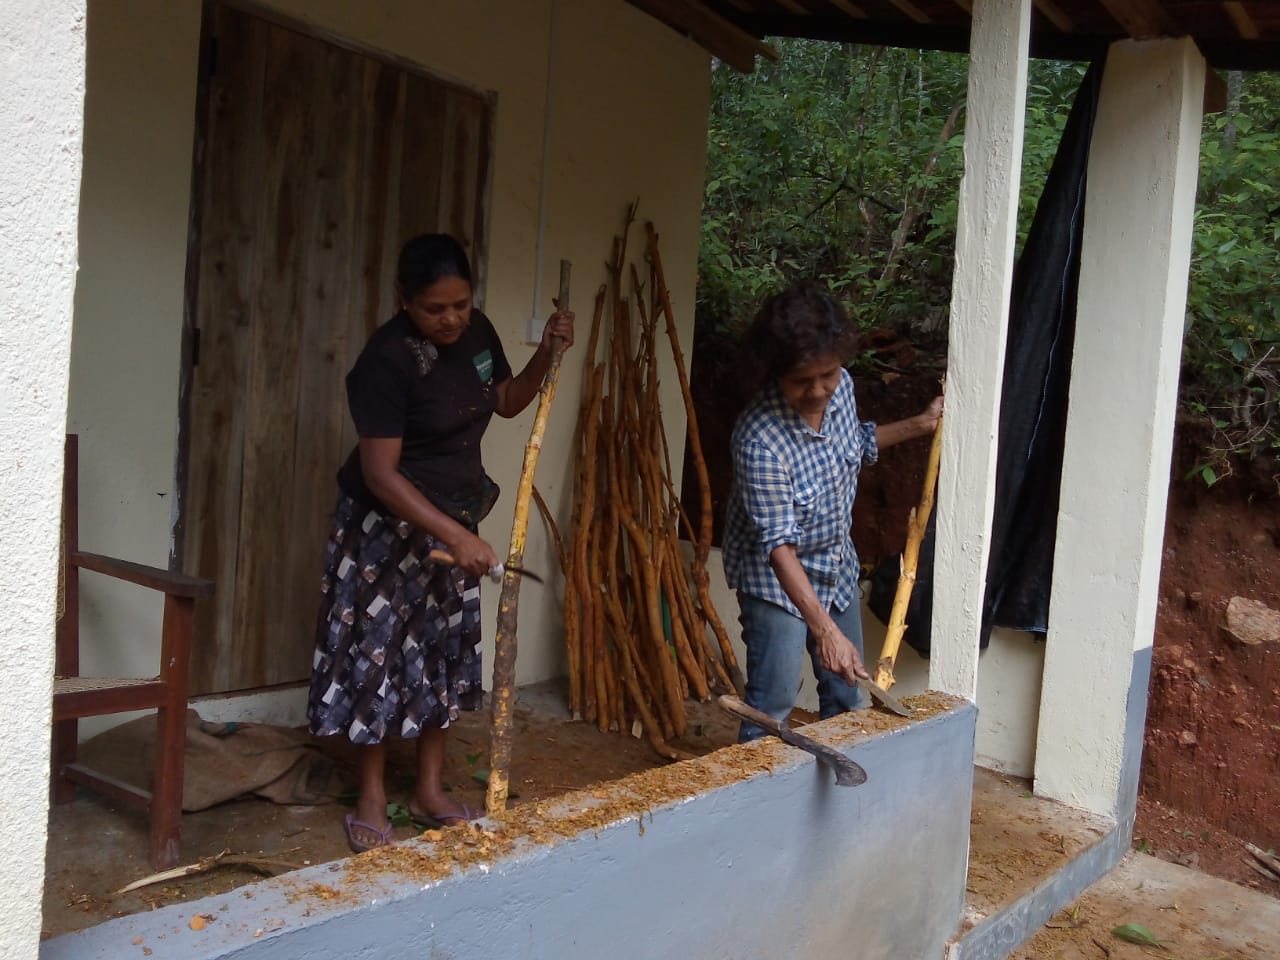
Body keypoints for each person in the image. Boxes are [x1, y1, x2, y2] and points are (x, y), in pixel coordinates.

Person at [308, 234, 574, 852]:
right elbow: (380, 473)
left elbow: (505, 401)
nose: (452, 318)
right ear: (405, 301)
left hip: (454, 514)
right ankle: (372, 796)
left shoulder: (477, 334)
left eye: (460, 304)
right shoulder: (385, 362)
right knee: (377, 656)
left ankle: (430, 789)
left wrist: (545, 355)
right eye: (436, 309)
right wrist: (455, 534)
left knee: (439, 654)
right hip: (383, 529)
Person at [722, 281, 941, 742]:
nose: (820, 390)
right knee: (773, 702)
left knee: (849, 699)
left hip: (834, 562)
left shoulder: (841, 389)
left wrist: (921, 424)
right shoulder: (758, 440)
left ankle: (840, 802)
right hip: (774, 577)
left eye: (828, 374)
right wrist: (824, 630)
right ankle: (757, 803)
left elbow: (855, 445)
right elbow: (779, 547)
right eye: (802, 380)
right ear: (774, 373)